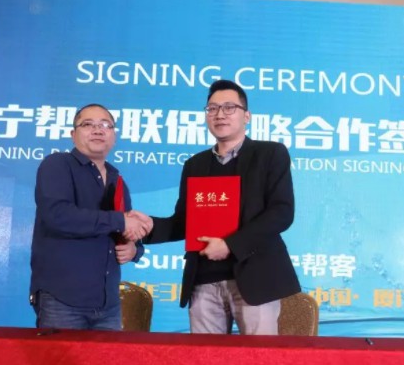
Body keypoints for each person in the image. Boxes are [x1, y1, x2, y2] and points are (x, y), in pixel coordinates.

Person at [139, 79, 300, 335]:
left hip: (256, 279)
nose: (220, 114)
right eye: (212, 109)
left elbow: (281, 212)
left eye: (229, 107)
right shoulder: (195, 165)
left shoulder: (270, 154)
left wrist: (230, 245)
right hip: (203, 281)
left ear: (246, 116)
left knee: (258, 357)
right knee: (206, 358)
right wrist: (146, 227)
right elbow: (184, 221)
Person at [29, 103, 152, 330]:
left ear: (114, 136)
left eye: (105, 125)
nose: (97, 130)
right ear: (73, 134)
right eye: (88, 124)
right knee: (60, 355)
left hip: (108, 304)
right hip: (62, 300)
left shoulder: (117, 180)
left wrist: (134, 249)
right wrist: (120, 221)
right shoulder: (57, 165)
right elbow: (58, 216)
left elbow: (123, 232)